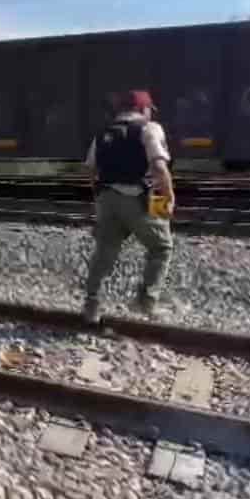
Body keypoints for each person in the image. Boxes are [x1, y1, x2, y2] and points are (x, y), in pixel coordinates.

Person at [81, 89, 175, 324]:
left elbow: (91, 170)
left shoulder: (102, 133)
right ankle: (146, 302)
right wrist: (170, 196)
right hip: (140, 197)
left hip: (106, 199)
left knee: (104, 251)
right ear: (144, 109)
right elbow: (159, 168)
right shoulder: (150, 128)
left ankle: (91, 305)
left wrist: (101, 198)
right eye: (149, 110)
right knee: (161, 247)